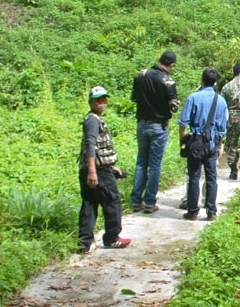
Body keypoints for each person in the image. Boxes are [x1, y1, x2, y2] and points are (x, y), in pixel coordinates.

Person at [79, 87, 130, 252]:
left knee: (89, 203)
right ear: (91, 102)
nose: (102, 104)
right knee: (112, 201)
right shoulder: (93, 120)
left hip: (93, 168)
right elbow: (90, 145)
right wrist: (93, 171)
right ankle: (112, 238)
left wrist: (110, 166)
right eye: (98, 100)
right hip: (97, 171)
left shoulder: (92, 119)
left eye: (104, 100)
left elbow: (99, 147)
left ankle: (84, 243)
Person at [129, 50, 179, 213]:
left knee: (141, 162)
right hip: (159, 125)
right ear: (171, 65)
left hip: (142, 123)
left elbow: (134, 98)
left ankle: (136, 201)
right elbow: (174, 106)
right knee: (155, 165)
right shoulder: (168, 81)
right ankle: (149, 202)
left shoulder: (141, 75)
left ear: (159, 59)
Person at [179, 68, 227, 221]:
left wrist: (183, 141)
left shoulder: (193, 97)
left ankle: (192, 211)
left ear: (201, 80)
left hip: (195, 144)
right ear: (215, 82)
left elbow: (183, 123)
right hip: (212, 143)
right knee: (211, 177)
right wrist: (219, 146)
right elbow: (222, 128)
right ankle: (211, 211)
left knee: (194, 177)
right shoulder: (220, 100)